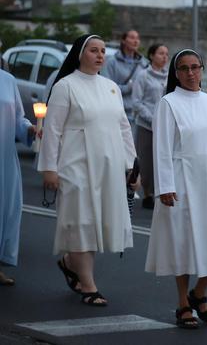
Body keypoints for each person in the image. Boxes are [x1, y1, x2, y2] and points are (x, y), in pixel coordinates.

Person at [145, 49, 207, 329]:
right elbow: (161, 147)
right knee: (184, 243)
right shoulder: (169, 103)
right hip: (183, 180)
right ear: (176, 73)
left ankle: (199, 292)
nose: (190, 73)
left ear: (202, 68)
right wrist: (165, 185)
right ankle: (183, 303)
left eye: (195, 67)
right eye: (184, 68)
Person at [38, 34, 136, 307]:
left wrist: (132, 166)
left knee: (96, 224)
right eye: (94, 50)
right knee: (80, 221)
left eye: (103, 51)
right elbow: (52, 129)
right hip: (75, 164)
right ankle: (89, 285)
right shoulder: (65, 86)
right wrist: (49, 168)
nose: (100, 55)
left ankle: (72, 264)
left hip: (108, 165)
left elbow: (123, 127)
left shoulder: (111, 87)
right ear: (80, 54)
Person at [0, 69, 35, 286]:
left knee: (6, 209)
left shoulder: (8, 79)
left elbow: (18, 118)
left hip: (4, 156)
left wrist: (30, 129)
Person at [131, 43, 169, 210]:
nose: (165, 57)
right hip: (147, 125)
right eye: (161, 53)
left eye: (166, 54)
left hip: (164, 126)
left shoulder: (169, 76)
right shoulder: (143, 76)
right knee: (146, 161)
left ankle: (160, 192)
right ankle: (147, 193)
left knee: (162, 160)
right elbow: (137, 102)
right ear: (152, 55)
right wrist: (152, 118)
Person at [101, 29, 148, 129]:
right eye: (132, 37)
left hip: (139, 116)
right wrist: (128, 87)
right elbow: (107, 88)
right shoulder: (111, 62)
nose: (136, 41)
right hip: (117, 113)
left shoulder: (144, 63)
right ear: (123, 40)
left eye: (138, 38)